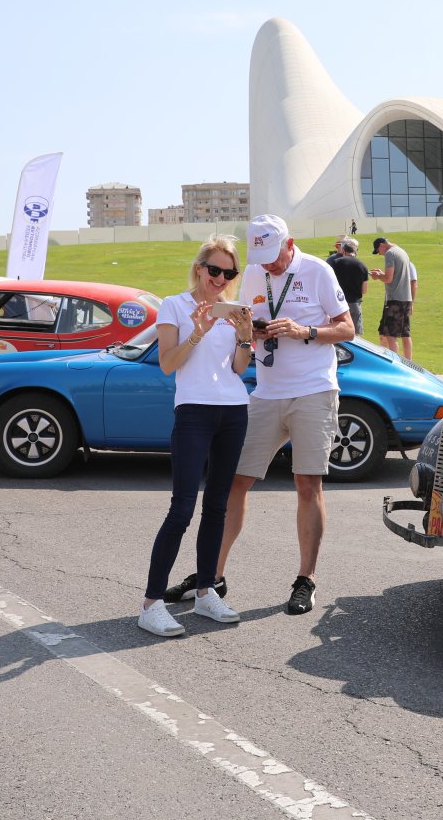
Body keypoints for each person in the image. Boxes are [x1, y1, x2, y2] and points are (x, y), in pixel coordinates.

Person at [175, 215, 352, 616]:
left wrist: (304, 331)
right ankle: (212, 576)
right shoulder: (254, 273)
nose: (268, 266)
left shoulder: (318, 270)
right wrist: (253, 330)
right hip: (266, 392)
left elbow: (346, 329)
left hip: (313, 389)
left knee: (307, 484)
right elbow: (244, 324)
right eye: (262, 258)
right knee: (233, 481)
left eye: (274, 257)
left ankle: (306, 579)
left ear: (290, 243)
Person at [137, 235, 254, 637]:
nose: (221, 278)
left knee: (217, 507)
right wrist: (198, 331)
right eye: (215, 270)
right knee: (182, 508)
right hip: (194, 412)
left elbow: (239, 368)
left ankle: (205, 591)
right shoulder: (174, 305)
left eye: (229, 272)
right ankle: (151, 603)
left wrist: (245, 335)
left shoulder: (234, 309)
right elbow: (168, 364)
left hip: (234, 410)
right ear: (200, 267)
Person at [370, 237, 416, 360]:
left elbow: (388, 278)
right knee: (405, 334)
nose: (380, 254)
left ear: (381, 245)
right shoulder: (402, 251)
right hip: (406, 298)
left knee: (391, 335)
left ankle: (394, 363)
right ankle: (409, 362)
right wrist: (381, 274)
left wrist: (378, 276)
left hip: (394, 299)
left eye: (378, 250)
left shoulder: (390, 253)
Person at [328, 237, 370, 336]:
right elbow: (364, 290)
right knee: (355, 335)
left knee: (336, 331)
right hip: (355, 303)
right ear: (355, 251)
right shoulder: (363, 266)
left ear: (343, 250)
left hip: (338, 302)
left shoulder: (336, 262)